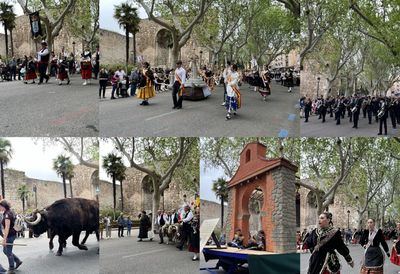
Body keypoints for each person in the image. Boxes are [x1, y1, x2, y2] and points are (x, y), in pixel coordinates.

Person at [0, 200, 22, 272]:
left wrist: (4, 239)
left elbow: (7, 227)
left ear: (3, 206)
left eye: (0, 206)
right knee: (5, 250)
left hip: (10, 235)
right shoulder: (10, 212)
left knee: (8, 252)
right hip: (11, 234)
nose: (0, 208)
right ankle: (17, 261)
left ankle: (11, 268)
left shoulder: (7, 215)